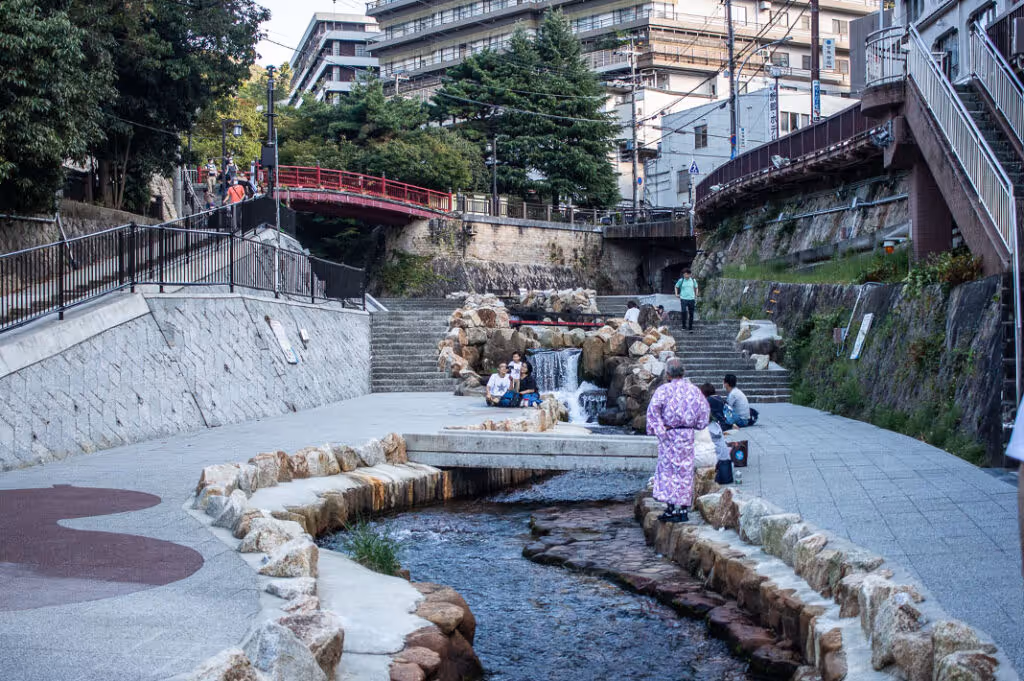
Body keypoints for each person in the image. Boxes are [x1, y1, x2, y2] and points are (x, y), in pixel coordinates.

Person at [646, 358, 711, 522]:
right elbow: (704, 412)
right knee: (684, 471)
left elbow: (652, 412)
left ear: (668, 374)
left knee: (668, 471)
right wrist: (696, 425)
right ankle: (683, 510)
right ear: (683, 373)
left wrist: (660, 430)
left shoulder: (663, 390)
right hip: (686, 435)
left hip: (669, 435)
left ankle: (669, 508)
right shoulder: (694, 390)